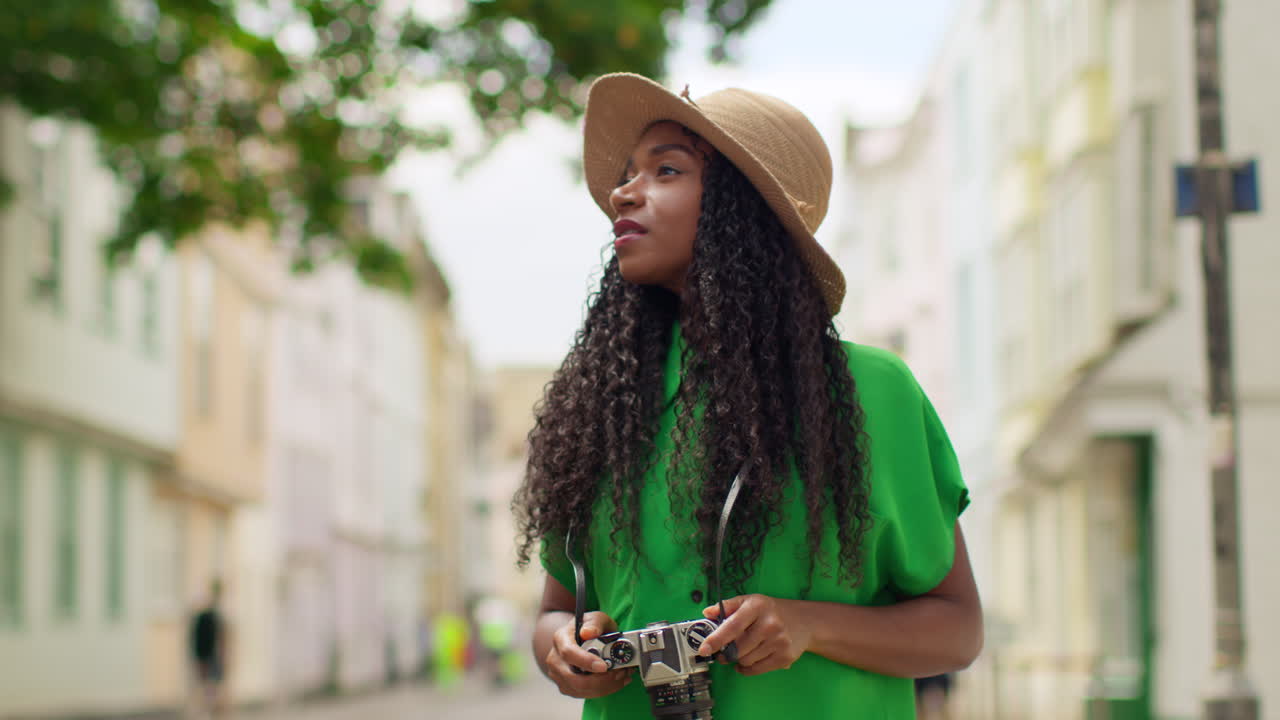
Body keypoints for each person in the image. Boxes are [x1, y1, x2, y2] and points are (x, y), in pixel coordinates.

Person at [512, 73, 983, 720]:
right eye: (627, 174)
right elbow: (554, 613)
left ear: (744, 210)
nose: (624, 192)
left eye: (666, 171)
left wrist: (809, 625)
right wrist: (562, 651)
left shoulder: (874, 393)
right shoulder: (602, 406)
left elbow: (957, 630)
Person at [188, 579, 229, 718]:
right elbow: (204, 638)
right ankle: (208, 710)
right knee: (209, 686)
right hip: (208, 655)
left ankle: (210, 710)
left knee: (211, 686)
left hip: (210, 656)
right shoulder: (208, 616)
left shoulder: (215, 615)